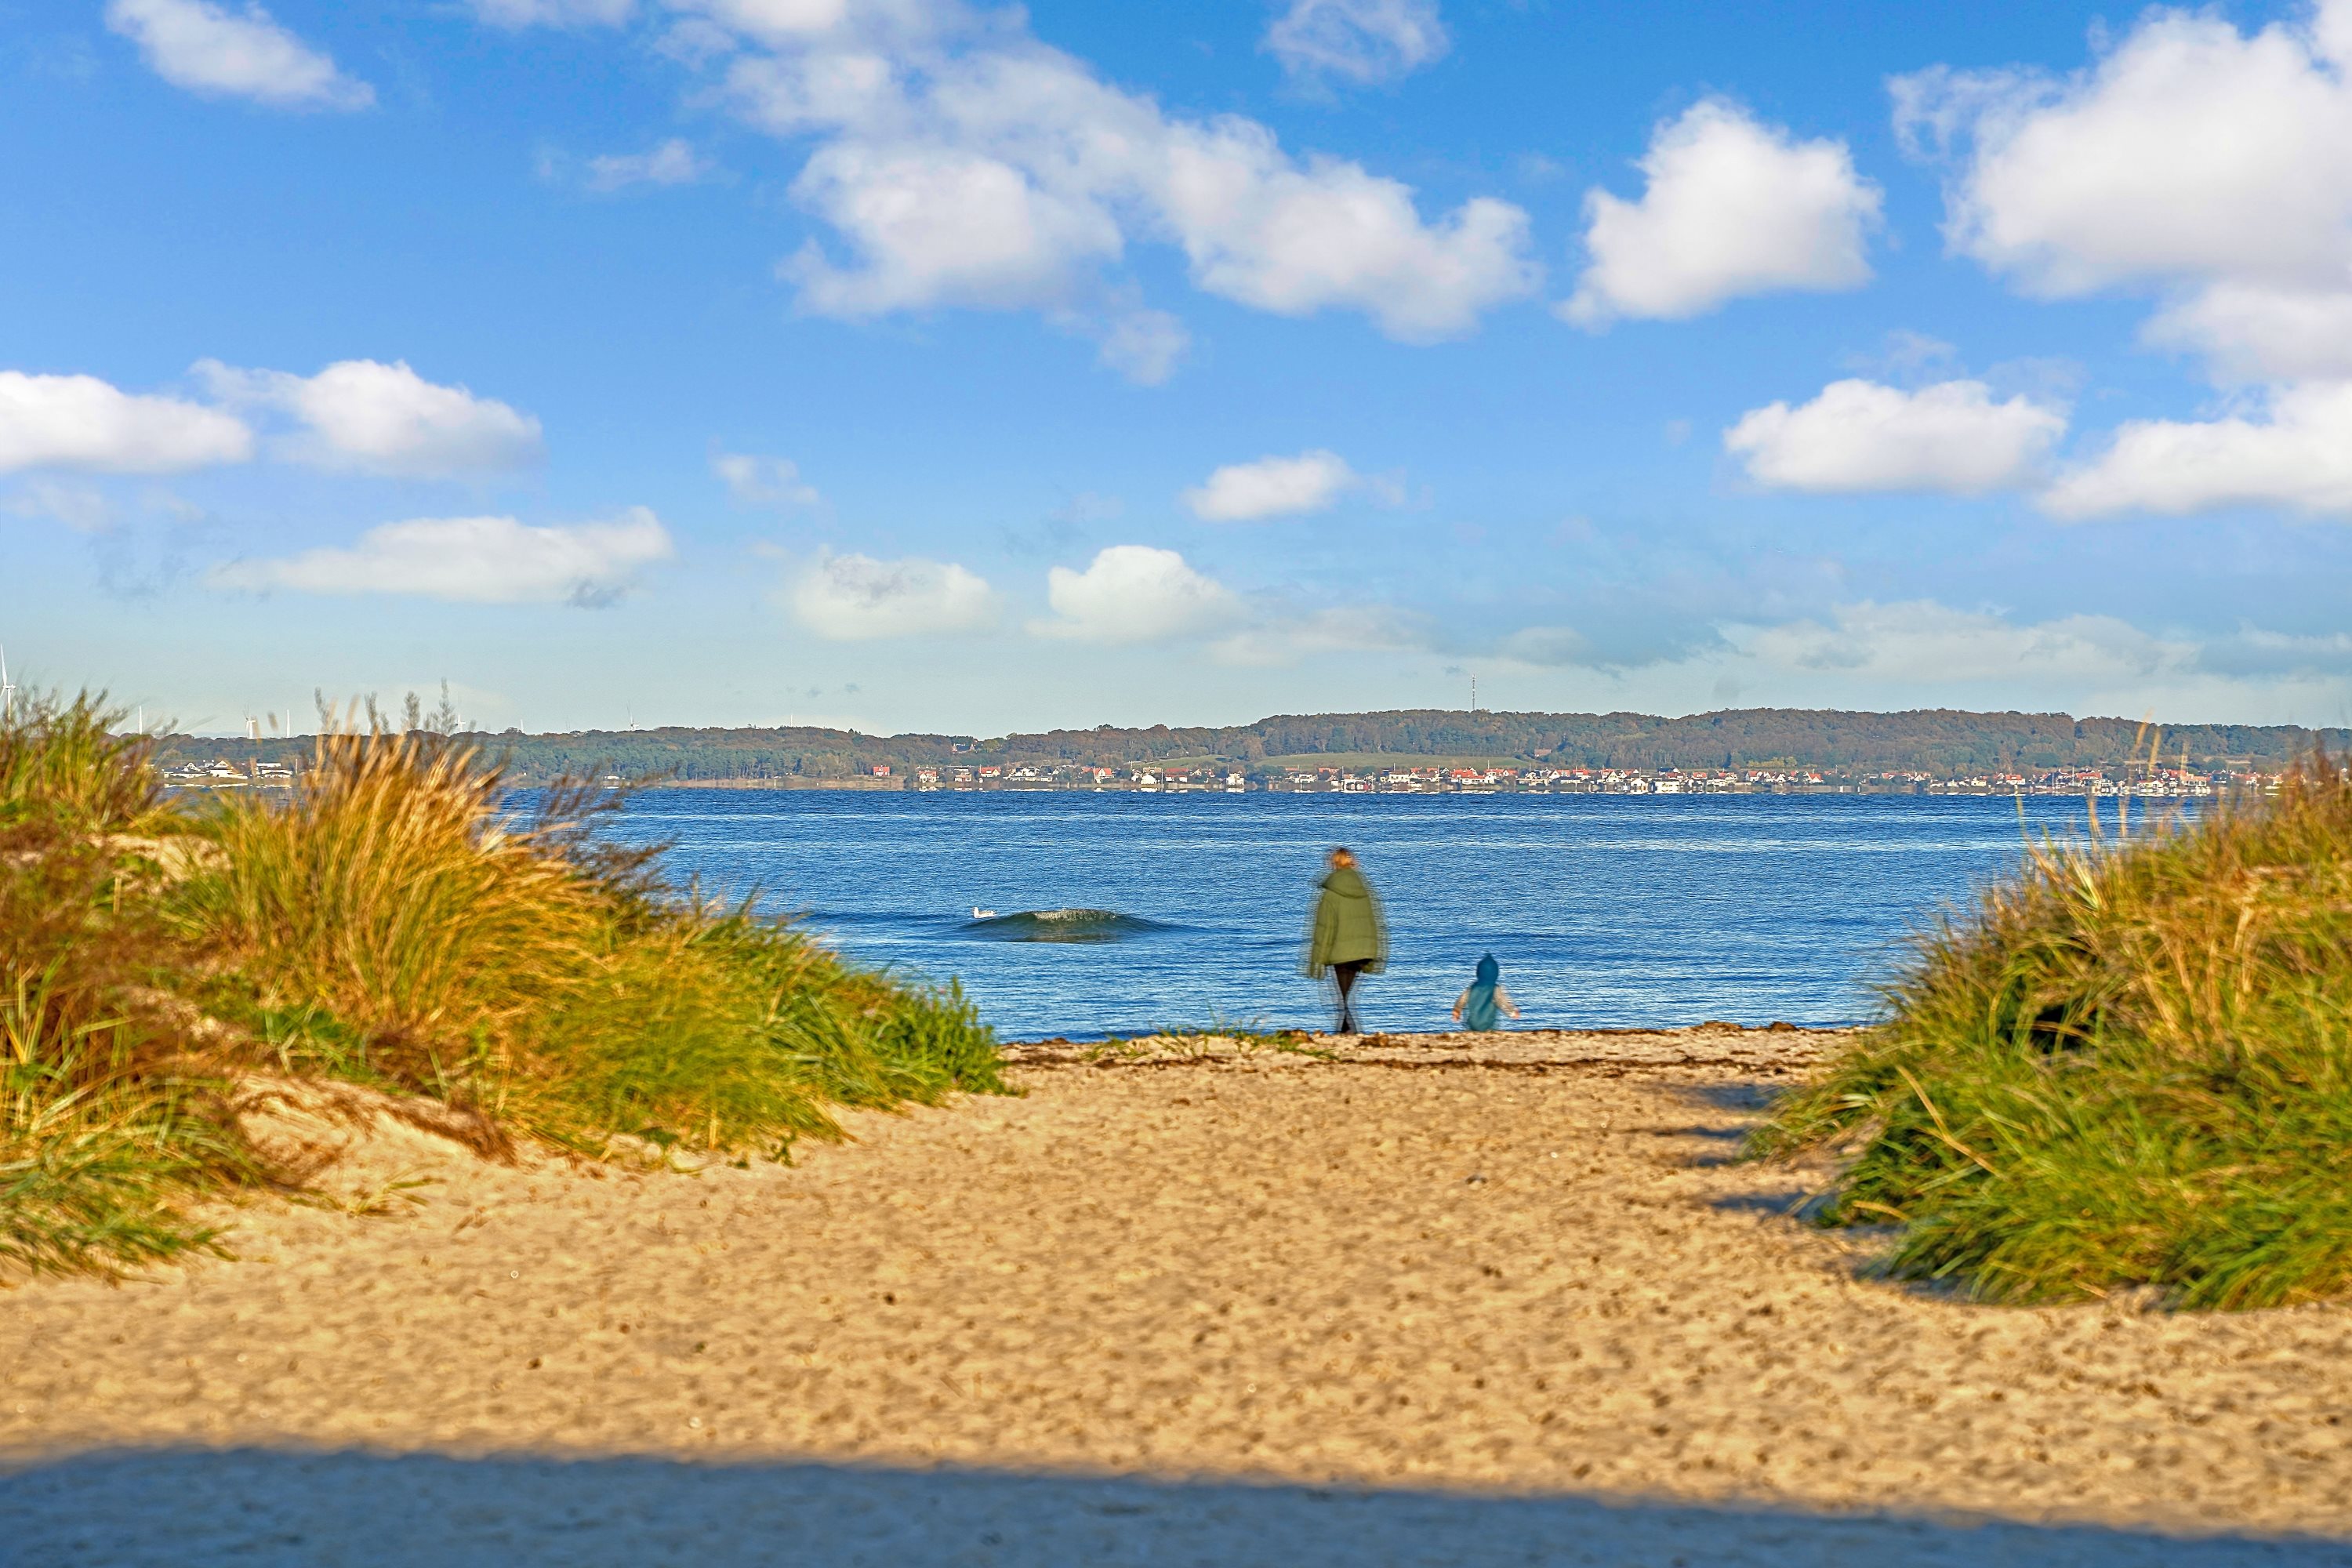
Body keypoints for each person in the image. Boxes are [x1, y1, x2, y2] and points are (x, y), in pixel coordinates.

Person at [1305, 846, 1385, 1035]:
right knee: (1347, 997)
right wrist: (1375, 953)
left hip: (1340, 953)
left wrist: (1316, 961)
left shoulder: (1330, 893)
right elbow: (1375, 923)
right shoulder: (1365, 889)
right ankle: (1347, 1033)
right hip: (1363, 952)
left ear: (1332, 863)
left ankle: (1347, 1033)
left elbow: (1324, 929)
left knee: (1342, 999)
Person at [1452, 953, 1519, 1033]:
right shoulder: (1494, 988)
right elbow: (1502, 1002)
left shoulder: (1473, 987)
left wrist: (1457, 1010)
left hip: (1473, 1023)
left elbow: (1462, 999)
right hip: (1487, 1024)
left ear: (1479, 972)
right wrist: (1512, 1012)